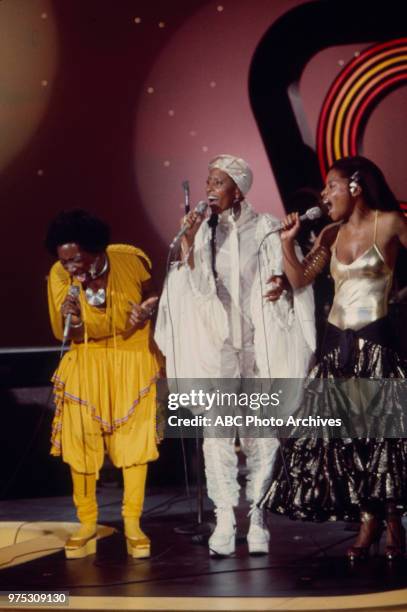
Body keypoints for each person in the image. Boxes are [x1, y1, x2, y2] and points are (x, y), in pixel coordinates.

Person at [155, 154, 315, 556]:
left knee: (261, 436)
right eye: (208, 181)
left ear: (238, 189)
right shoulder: (205, 232)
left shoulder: (267, 228)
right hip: (219, 350)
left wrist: (282, 281)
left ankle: (258, 516)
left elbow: (292, 278)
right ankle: (224, 517)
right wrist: (189, 240)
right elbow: (192, 287)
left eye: (218, 182)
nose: (210, 189)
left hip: (259, 349)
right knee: (217, 435)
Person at [261, 155, 407, 562]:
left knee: (383, 439)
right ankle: (367, 521)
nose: (324, 195)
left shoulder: (390, 223)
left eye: (331, 186)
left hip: (376, 349)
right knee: (344, 443)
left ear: (355, 186)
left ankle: (393, 520)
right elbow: (299, 279)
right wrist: (287, 243)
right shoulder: (328, 234)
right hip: (335, 352)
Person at [46, 209, 161, 559]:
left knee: (134, 443)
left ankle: (132, 522)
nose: (70, 267)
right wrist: (73, 317)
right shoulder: (59, 276)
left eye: (76, 259)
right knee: (80, 442)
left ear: (96, 249)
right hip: (87, 360)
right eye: (64, 261)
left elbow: (154, 294)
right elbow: (62, 333)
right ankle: (86, 523)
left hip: (131, 359)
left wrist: (145, 309)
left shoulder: (129, 259)